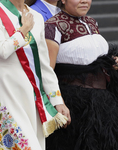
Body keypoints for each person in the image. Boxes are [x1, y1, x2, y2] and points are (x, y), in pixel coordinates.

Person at [0, 0, 71, 149]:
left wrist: (57, 100)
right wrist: (24, 29)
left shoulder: (36, 16)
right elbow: (2, 50)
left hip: (31, 96)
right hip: (6, 92)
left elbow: (44, 65)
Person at [45, 0, 118, 149]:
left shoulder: (91, 22)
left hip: (103, 104)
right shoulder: (53, 26)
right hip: (76, 106)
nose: (84, 1)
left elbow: (97, 56)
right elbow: (47, 70)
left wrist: (112, 61)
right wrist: (58, 102)